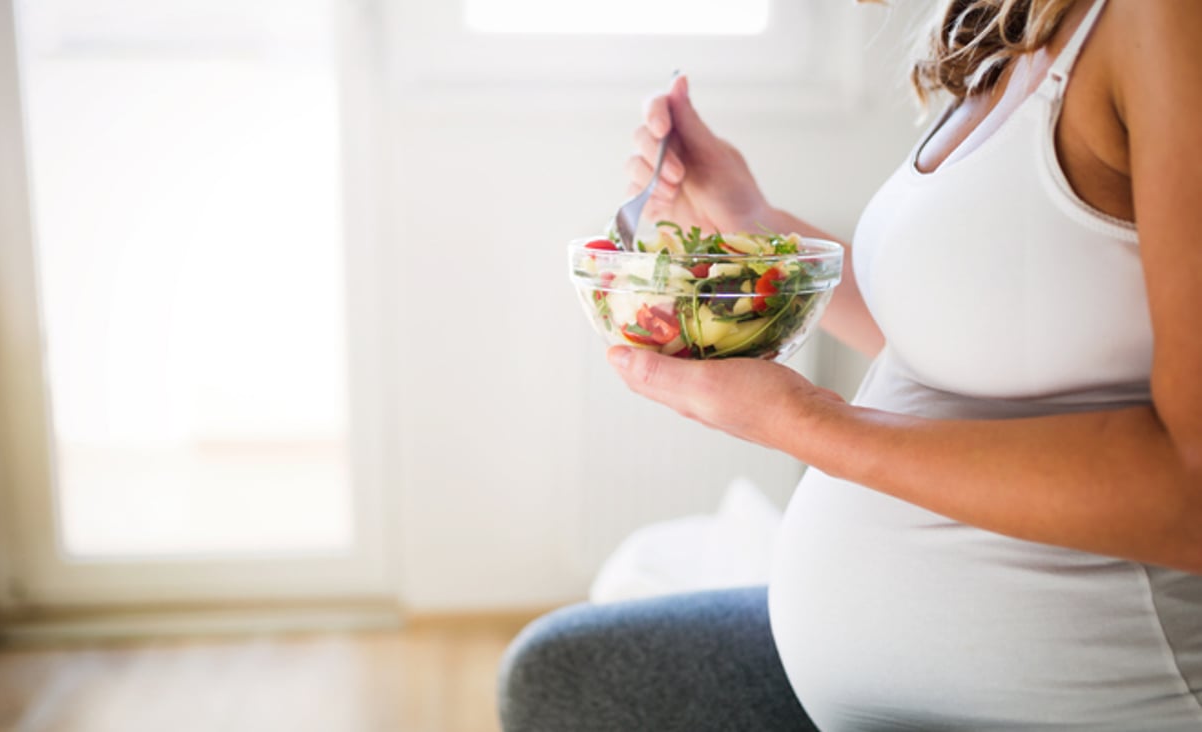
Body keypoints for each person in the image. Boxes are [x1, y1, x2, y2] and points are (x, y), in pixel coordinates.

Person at [498, 0, 1202, 729]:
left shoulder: (1167, 21)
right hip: (882, 686)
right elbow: (963, 331)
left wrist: (804, 424)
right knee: (559, 670)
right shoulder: (1017, 25)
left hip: (1082, 700)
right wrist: (750, 217)